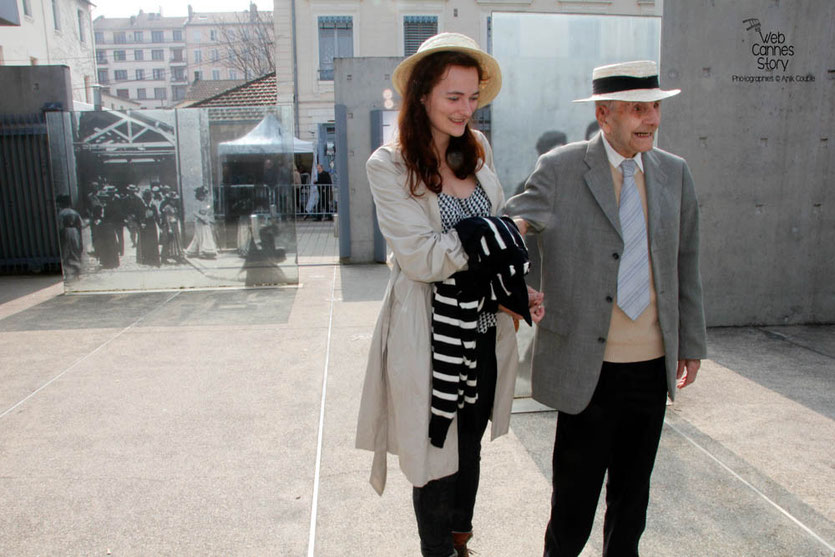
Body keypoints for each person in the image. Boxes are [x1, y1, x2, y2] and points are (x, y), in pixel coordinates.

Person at [505, 60, 707, 556]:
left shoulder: (674, 172)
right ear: (605, 113)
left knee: (632, 504)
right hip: (586, 369)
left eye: (655, 107)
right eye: (638, 108)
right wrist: (522, 286)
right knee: (573, 507)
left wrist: (691, 343)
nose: (652, 119)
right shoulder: (561, 167)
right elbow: (512, 227)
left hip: (649, 368)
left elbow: (686, 259)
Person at [355, 32, 544, 557]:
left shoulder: (477, 154)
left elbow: (492, 244)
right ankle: (437, 550)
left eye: (472, 97)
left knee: (470, 450)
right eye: (452, 97)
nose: (466, 109)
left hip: (484, 332)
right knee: (435, 457)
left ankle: (461, 541)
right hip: (430, 336)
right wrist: (492, 235)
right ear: (422, 97)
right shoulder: (389, 165)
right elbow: (420, 258)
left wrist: (515, 287)